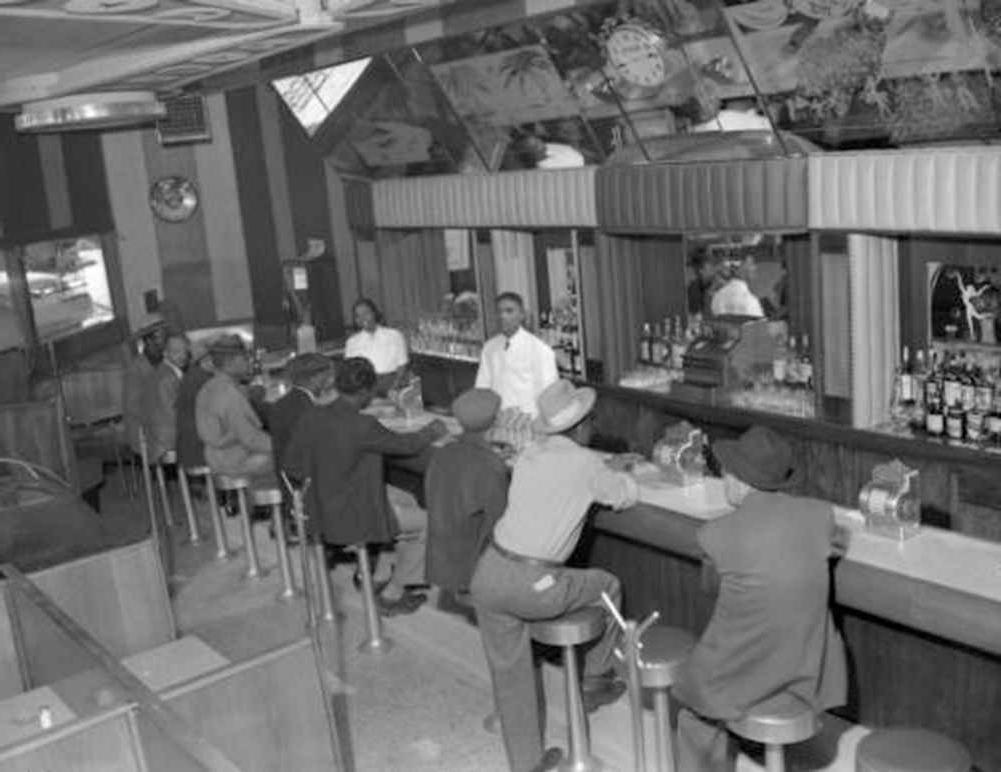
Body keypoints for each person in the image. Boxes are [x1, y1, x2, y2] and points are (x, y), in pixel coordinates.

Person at [469, 379, 638, 772]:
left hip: (488, 572)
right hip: (537, 583)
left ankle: (527, 764)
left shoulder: (529, 453)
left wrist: (601, 467)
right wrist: (620, 474)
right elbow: (624, 495)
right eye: (589, 421)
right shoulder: (585, 463)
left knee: (510, 676)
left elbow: (562, 478)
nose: (592, 425)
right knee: (607, 586)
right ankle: (595, 678)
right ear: (579, 429)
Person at [673, 425, 848, 772]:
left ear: (739, 479)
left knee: (693, 714)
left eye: (725, 472)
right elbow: (836, 541)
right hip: (807, 671)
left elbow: (710, 589)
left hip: (750, 671)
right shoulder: (820, 515)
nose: (723, 478)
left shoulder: (715, 534)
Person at [284, 357, 448, 615]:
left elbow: (291, 464)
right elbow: (405, 445)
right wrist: (432, 430)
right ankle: (393, 593)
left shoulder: (312, 416)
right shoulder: (363, 425)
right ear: (365, 391)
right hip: (350, 513)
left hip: (316, 507)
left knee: (406, 498)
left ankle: (382, 571)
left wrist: (327, 479)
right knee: (430, 522)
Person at [424, 388, 508, 597]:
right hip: (473, 566)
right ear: (495, 421)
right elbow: (501, 522)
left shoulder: (442, 453)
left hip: (443, 557)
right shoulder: (490, 465)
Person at [195, 336, 273, 479]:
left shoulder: (208, 387)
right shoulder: (229, 394)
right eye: (245, 358)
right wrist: (283, 444)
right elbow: (251, 439)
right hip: (234, 461)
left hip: (215, 457)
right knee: (293, 457)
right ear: (232, 362)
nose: (249, 362)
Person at [475, 292, 558, 418]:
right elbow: (482, 387)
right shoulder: (489, 348)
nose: (503, 316)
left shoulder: (540, 350)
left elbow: (549, 393)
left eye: (509, 311)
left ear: (522, 315)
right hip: (498, 420)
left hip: (528, 422)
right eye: (499, 312)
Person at [268, 353, 336, 472]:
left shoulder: (286, 403)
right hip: (306, 478)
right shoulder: (305, 408)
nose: (332, 380)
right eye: (328, 375)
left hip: (291, 475)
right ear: (314, 378)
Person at [344, 298, 408, 395]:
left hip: (393, 384)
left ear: (375, 313)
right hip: (366, 389)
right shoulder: (351, 342)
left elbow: (402, 364)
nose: (362, 318)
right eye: (358, 316)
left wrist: (395, 387)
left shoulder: (394, 335)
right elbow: (351, 371)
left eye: (366, 313)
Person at [144, 334, 189, 462]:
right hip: (169, 443)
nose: (182, 356)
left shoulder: (163, 371)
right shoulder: (168, 377)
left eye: (185, 351)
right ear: (165, 353)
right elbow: (173, 412)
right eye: (176, 352)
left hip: (161, 440)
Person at [123, 323, 166, 455]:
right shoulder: (136, 369)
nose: (165, 341)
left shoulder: (165, 362)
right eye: (160, 337)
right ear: (148, 340)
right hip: (147, 434)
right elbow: (133, 406)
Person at [175, 341, 213, 471]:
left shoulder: (190, 376)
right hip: (200, 451)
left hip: (189, 450)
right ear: (206, 360)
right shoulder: (202, 380)